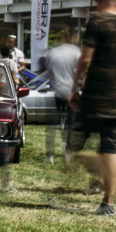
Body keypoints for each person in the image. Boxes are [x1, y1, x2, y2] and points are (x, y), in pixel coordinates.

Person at [67, 0, 116, 216]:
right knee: (111, 147)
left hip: (94, 95)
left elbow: (86, 58)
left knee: (76, 144)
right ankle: (108, 203)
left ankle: (97, 175)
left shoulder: (97, 21)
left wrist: (76, 87)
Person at [42, 29, 80, 164]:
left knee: (52, 125)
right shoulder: (76, 52)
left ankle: (50, 155)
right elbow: (80, 73)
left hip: (57, 92)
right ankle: (67, 153)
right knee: (70, 125)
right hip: (71, 92)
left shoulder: (54, 53)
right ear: (72, 36)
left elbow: (48, 73)